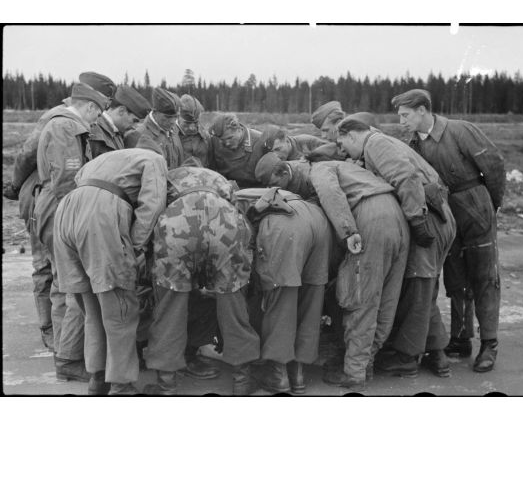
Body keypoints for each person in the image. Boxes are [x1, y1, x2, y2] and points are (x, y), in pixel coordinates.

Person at [259, 154, 410, 390]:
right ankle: (365, 363)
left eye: (281, 187)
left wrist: (348, 231)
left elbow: (330, 193)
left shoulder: (319, 170)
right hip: (397, 217)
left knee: (359, 298)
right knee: (386, 299)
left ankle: (354, 372)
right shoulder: (341, 168)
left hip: (370, 219)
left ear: (286, 174)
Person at [392, 89, 505, 372]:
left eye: (405, 115)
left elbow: (494, 165)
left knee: (485, 277)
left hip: (476, 209)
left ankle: (489, 344)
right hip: (445, 216)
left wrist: (490, 205)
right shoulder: (414, 146)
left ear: (422, 110)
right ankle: (460, 338)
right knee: (456, 280)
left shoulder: (459, 130)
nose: (401, 121)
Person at [2, 72, 116, 350]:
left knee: (60, 272)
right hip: (44, 199)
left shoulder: (74, 119)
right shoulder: (60, 121)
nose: (101, 115)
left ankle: (64, 339)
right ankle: (51, 332)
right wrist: (16, 187)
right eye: (101, 108)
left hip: (55, 199)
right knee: (49, 269)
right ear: (91, 102)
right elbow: (29, 157)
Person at [336, 115, 456, 378]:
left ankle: (408, 359)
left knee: (418, 286)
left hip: (427, 215)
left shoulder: (375, 145)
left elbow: (405, 177)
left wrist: (416, 220)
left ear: (353, 135)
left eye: (343, 144)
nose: (344, 152)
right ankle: (437, 355)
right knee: (425, 286)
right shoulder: (379, 143)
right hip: (434, 211)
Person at [53, 148, 168, 395]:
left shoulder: (103, 160)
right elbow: (153, 204)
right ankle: (121, 385)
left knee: (92, 308)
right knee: (120, 310)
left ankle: (97, 378)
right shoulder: (155, 160)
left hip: (66, 212)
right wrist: (135, 247)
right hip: (101, 213)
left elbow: (78, 182)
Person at [143, 166, 260, 395]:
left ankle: (166, 384)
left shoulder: (168, 177)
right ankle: (241, 380)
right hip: (224, 222)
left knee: (170, 309)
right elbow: (237, 207)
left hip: (178, 223)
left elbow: (152, 208)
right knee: (233, 305)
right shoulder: (220, 178)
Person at [34, 82, 109, 381]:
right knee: (72, 287)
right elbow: (67, 179)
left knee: (65, 284)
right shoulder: (66, 127)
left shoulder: (63, 124)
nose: (96, 120)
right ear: (90, 107)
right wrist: (78, 222)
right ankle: (67, 360)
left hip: (58, 209)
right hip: (62, 210)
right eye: (98, 114)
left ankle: (66, 356)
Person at [238, 184, 333, 394]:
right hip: (317, 219)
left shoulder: (232, 199)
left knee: (281, 298)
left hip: (285, 222)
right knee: (312, 299)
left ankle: (278, 375)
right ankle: (298, 374)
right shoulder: (285, 192)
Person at [88, 85, 151, 159]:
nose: (134, 127)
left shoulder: (117, 135)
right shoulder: (94, 131)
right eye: (134, 121)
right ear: (121, 111)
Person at [208, 113, 268, 188]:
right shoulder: (214, 141)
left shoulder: (260, 141)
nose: (227, 143)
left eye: (230, 138)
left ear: (239, 129)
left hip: (255, 190)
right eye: (222, 140)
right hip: (226, 188)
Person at [135, 87, 183, 169]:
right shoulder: (139, 134)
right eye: (167, 117)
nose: (173, 121)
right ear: (155, 112)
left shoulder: (175, 130)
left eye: (176, 117)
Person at [176, 94, 212, 167]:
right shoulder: (171, 137)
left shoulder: (205, 137)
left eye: (195, 123)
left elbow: (211, 163)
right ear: (178, 117)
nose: (192, 128)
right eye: (187, 124)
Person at [262, 125, 326, 161]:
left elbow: (333, 152)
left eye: (278, 149)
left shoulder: (307, 142)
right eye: (272, 152)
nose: (276, 155)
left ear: (286, 141)